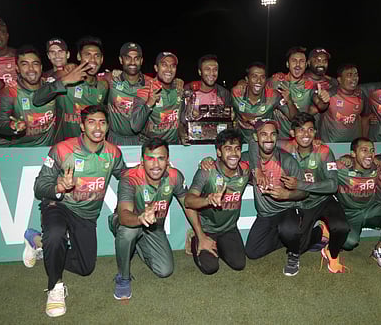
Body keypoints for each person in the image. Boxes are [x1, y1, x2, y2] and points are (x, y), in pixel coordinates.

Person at [27, 105, 126, 317]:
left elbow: (126, 176)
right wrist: (59, 187)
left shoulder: (113, 152)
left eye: (102, 122)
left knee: (85, 267)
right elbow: (39, 186)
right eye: (91, 122)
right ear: (82, 125)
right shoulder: (62, 149)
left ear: (108, 126)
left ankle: (36, 241)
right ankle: (55, 287)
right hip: (60, 205)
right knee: (55, 235)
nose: (97, 127)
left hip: (87, 215)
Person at [249, 113, 350, 274]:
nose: (306, 134)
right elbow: (256, 142)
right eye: (301, 130)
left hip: (323, 200)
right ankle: (318, 233)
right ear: (292, 133)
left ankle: (332, 252)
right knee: (298, 245)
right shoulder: (284, 146)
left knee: (342, 227)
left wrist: (300, 184)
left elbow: (333, 185)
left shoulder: (324, 151)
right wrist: (257, 169)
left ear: (316, 132)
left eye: (310, 130)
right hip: (303, 203)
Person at [109, 137, 196, 300]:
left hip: (153, 228)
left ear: (168, 160)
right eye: (150, 159)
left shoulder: (175, 177)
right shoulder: (129, 178)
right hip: (128, 223)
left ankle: (138, 245)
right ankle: (123, 277)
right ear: (142, 161)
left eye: (161, 158)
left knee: (165, 270)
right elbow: (123, 215)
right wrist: (140, 218)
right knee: (128, 232)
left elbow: (188, 204)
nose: (156, 165)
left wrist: (201, 234)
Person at [242, 118, 316, 276]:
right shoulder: (247, 158)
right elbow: (226, 162)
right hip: (265, 215)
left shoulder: (287, 160)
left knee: (288, 229)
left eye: (272, 134)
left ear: (277, 137)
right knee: (252, 252)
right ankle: (290, 238)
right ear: (256, 138)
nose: (268, 138)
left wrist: (287, 194)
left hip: (288, 209)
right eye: (263, 134)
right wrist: (207, 162)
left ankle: (295, 252)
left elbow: (305, 191)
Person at [185, 129, 250, 274]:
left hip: (229, 228)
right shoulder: (207, 172)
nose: (233, 154)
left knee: (239, 264)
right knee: (210, 268)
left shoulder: (245, 171)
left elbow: (259, 157)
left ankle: (222, 245)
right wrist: (208, 200)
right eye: (228, 149)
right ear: (219, 152)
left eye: (237, 149)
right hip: (207, 229)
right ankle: (195, 237)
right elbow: (189, 201)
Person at [338, 137, 381, 270]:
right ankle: (329, 231)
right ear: (353, 153)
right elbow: (323, 165)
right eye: (364, 150)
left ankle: (380, 249)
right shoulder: (341, 167)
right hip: (350, 214)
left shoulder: (376, 164)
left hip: (370, 210)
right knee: (349, 243)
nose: (369, 154)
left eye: (372, 150)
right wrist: (343, 157)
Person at [32, 36, 108, 143]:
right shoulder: (63, 74)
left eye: (97, 56)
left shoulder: (103, 85)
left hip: (90, 147)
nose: (92, 60)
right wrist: (64, 80)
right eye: (87, 55)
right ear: (78, 56)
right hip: (64, 147)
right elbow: (37, 99)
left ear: (102, 59)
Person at [0, 45, 57, 146]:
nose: (31, 69)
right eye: (25, 64)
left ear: (41, 67)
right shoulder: (10, 91)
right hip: (19, 151)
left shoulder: (52, 88)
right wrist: (11, 126)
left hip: (46, 149)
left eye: (35, 64)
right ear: (17, 69)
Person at [230, 62, 297, 142]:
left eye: (262, 77)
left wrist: (290, 101)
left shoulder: (273, 96)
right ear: (247, 79)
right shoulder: (236, 93)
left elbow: (294, 118)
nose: (259, 81)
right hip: (241, 141)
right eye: (254, 76)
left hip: (264, 142)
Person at [102, 42, 153, 145]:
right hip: (113, 139)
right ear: (121, 60)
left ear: (141, 61)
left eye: (136, 58)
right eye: (128, 58)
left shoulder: (150, 84)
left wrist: (180, 83)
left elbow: (169, 86)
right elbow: (90, 78)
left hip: (139, 140)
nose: (132, 62)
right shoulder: (110, 79)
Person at [130, 52, 186, 145]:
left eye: (173, 66)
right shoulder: (145, 91)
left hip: (174, 146)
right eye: (164, 65)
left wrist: (182, 133)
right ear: (156, 68)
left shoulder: (179, 90)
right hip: (152, 148)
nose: (169, 69)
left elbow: (181, 119)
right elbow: (135, 126)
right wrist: (149, 104)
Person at [270, 46, 323, 138]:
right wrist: (242, 83)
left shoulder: (310, 86)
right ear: (287, 64)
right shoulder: (276, 81)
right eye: (294, 60)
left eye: (301, 61)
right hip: (278, 140)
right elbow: (258, 84)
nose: (298, 64)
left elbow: (321, 105)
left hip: (300, 139)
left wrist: (324, 101)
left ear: (306, 65)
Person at [181, 54, 234, 143]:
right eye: (207, 69)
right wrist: (182, 134)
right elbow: (180, 121)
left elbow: (230, 121)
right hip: (193, 144)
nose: (212, 73)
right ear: (200, 72)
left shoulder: (224, 93)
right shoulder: (188, 91)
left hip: (217, 144)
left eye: (215, 70)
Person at [316, 64, 368, 142]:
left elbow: (363, 117)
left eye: (356, 75)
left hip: (352, 145)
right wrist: (322, 100)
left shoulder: (361, 94)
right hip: (331, 145)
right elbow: (321, 107)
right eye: (349, 75)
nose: (354, 78)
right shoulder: (330, 94)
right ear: (339, 80)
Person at [0, 15, 16, 146]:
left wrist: (4, 85)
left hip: (12, 120)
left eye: (1, 31)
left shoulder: (19, 56)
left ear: (7, 35)